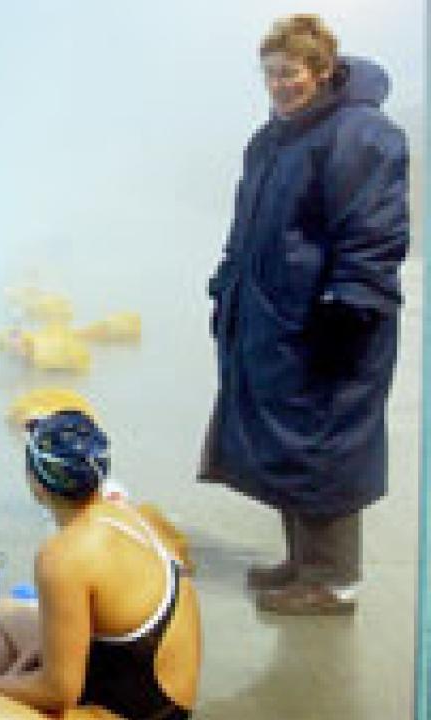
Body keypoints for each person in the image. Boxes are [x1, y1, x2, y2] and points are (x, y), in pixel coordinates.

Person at [198, 14, 410, 615]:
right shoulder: (274, 138)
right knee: (292, 444)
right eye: (270, 74)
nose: (279, 84)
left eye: (290, 73)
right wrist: (226, 289)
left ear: (321, 71)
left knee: (328, 448)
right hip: (278, 318)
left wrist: (351, 307)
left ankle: (334, 582)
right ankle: (302, 565)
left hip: (330, 321)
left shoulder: (360, 134)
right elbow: (247, 229)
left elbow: (373, 232)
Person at [0, 411, 201, 720]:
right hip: (146, 687)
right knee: (2, 618)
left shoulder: (64, 556)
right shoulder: (126, 515)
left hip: (135, 713)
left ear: (36, 482)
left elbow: (60, 690)